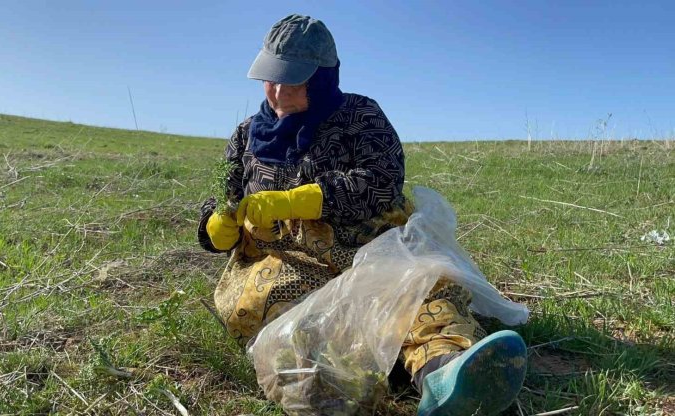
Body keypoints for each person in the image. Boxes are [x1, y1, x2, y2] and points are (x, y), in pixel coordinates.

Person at [197, 14, 527, 416]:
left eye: (293, 80)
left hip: (367, 251)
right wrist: (216, 227)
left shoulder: (360, 116)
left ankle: (447, 377)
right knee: (301, 330)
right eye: (271, 78)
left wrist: (299, 201)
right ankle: (341, 388)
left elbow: (382, 180)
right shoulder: (245, 135)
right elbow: (223, 199)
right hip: (286, 265)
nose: (279, 92)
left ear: (322, 79)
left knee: (417, 295)